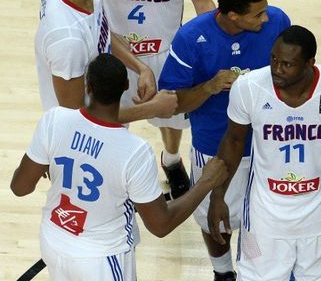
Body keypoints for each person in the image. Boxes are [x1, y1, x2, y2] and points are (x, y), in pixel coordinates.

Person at [10, 53, 228, 281]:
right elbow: (160, 225)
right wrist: (206, 182)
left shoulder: (54, 120)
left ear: (88, 86)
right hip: (101, 258)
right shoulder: (134, 150)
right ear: (125, 86)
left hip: (53, 242)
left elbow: (20, 187)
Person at [158, 0, 290, 281]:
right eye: (257, 14)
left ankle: (255, 269)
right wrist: (209, 87)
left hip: (269, 142)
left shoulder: (278, 22)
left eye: (265, 8)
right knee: (214, 221)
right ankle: (223, 272)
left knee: (265, 219)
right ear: (232, 15)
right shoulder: (191, 38)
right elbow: (172, 103)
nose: (266, 17)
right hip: (215, 145)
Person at [207, 25, 321, 281]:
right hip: (262, 220)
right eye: (274, 59)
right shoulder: (249, 87)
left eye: (287, 64)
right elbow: (233, 142)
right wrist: (218, 196)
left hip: (320, 219)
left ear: (309, 63)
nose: (277, 69)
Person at [95, 0, 216, 199]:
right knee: (112, 121)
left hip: (165, 51)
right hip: (116, 54)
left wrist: (215, 48)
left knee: (171, 117)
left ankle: (172, 161)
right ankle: (116, 176)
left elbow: (203, 3)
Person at [35, 0, 177, 122]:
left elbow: (99, 32)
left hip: (104, 105)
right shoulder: (68, 42)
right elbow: (76, 121)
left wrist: (141, 68)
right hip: (85, 139)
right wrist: (152, 109)